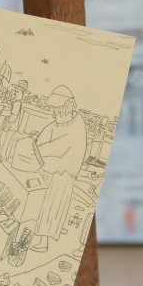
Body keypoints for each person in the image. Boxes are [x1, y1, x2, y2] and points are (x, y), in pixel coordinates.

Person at [28, 85, 88, 252]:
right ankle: (35, 235)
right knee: (41, 204)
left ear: (67, 106)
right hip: (49, 170)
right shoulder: (60, 121)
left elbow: (59, 148)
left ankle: (43, 242)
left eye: (56, 107)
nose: (53, 111)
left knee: (52, 206)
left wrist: (39, 147)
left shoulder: (76, 125)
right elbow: (47, 133)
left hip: (62, 175)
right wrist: (36, 140)